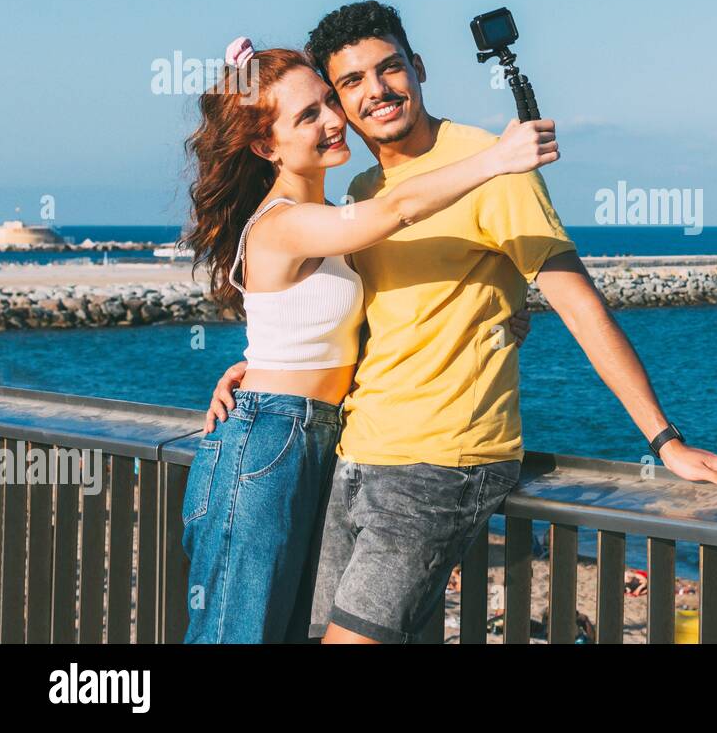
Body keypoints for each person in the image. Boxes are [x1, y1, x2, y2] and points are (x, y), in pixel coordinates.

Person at [206, 1, 717, 645]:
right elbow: (364, 311)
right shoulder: (362, 190)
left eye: (390, 68)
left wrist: (663, 439)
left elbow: (579, 304)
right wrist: (265, 370)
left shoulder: (495, 167)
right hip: (354, 452)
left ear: (418, 67)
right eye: (350, 84)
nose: (376, 92)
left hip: (440, 460)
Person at [180, 36, 558, 643]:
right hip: (270, 441)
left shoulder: (328, 219)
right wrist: (497, 157)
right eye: (308, 115)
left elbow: (366, 323)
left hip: (320, 438)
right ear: (264, 145)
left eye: (329, 101)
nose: (335, 119)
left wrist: (504, 313)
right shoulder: (284, 224)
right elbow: (401, 207)